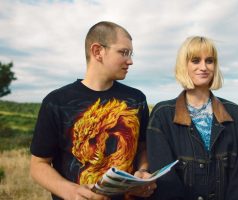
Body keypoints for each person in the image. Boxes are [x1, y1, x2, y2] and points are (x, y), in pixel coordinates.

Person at [30, 21, 156, 200]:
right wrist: (71, 191)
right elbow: (38, 165)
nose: (130, 61)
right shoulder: (56, 102)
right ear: (97, 51)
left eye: (130, 53)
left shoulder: (136, 99)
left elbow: (143, 147)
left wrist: (143, 172)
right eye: (123, 52)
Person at [146, 36, 238, 200]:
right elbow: (165, 181)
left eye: (209, 61)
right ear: (183, 65)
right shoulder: (162, 115)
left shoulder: (235, 114)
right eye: (195, 60)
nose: (204, 67)